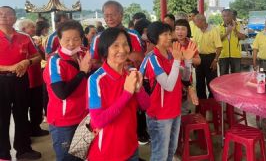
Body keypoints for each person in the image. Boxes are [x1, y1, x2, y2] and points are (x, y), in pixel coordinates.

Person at [87, 28, 150, 160]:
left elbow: (146, 105)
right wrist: (127, 93)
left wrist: (138, 90)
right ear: (105, 49)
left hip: (131, 147)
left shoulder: (129, 75)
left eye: (125, 44)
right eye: (115, 45)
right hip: (108, 152)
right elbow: (98, 121)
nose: (122, 50)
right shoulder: (96, 80)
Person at [139, 21, 196, 161]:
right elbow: (168, 85)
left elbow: (185, 77)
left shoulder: (171, 55)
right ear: (154, 37)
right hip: (159, 114)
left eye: (170, 33)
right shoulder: (152, 58)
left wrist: (187, 61)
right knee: (160, 155)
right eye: (165, 34)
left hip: (175, 110)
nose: (170, 37)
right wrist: (178, 60)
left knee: (171, 151)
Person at [43, 20, 91, 161]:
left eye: (76, 39)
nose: (71, 43)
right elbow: (61, 93)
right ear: (59, 40)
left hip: (83, 117)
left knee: (82, 155)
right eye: (67, 39)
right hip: (64, 122)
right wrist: (82, 72)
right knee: (67, 158)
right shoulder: (55, 62)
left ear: (82, 39)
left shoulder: (83, 55)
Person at [0, 6, 42, 160]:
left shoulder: (24, 37)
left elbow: (38, 56)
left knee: (22, 114)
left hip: (20, 79)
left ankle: (23, 149)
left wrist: (27, 62)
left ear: (14, 18)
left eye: (8, 14)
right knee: (2, 117)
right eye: (1, 14)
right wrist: (8, 67)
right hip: (1, 81)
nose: (4, 16)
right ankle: (3, 153)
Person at [17, 19, 49, 137]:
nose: (34, 29)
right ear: (23, 29)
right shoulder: (20, 42)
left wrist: (39, 46)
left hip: (36, 78)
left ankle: (35, 127)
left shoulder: (35, 41)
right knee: (24, 107)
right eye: (31, 27)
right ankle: (26, 131)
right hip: (26, 79)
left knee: (37, 105)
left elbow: (43, 57)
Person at [90, 0, 144, 69]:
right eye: (106, 15)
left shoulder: (134, 35)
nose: (109, 18)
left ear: (121, 15)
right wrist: (115, 68)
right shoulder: (98, 38)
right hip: (109, 78)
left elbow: (141, 58)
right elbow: (94, 62)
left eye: (113, 15)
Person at [193, 14, 222, 99]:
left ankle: (212, 101)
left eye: (195, 22)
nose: (194, 24)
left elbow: (219, 47)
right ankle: (202, 102)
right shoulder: (197, 31)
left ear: (202, 21)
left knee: (212, 82)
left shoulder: (214, 30)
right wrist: (194, 59)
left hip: (210, 58)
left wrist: (215, 60)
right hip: (199, 58)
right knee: (199, 82)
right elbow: (194, 46)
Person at [174, 19, 200, 114]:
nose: (180, 32)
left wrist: (187, 58)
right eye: (177, 29)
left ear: (187, 31)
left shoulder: (191, 43)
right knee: (174, 104)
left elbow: (198, 60)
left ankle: (183, 124)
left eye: (183, 29)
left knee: (184, 105)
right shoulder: (170, 43)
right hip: (173, 79)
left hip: (187, 79)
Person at [218, 9, 246, 75]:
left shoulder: (239, 25)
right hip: (223, 55)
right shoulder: (219, 27)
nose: (226, 18)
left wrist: (235, 30)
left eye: (228, 16)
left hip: (236, 55)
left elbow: (243, 37)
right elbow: (218, 40)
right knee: (223, 76)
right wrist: (227, 33)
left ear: (232, 16)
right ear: (222, 17)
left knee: (236, 76)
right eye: (224, 16)